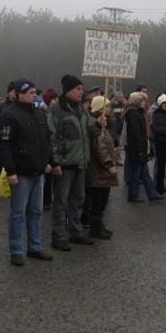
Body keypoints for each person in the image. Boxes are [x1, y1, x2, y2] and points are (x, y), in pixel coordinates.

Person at [0, 78, 54, 266]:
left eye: (35, 92)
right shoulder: (8, 115)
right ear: (19, 94)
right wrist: (10, 170)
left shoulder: (39, 114)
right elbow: (4, 145)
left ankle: (35, 247)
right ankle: (16, 250)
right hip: (20, 173)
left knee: (36, 211)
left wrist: (48, 161)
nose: (34, 95)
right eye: (30, 92)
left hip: (38, 171)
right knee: (18, 213)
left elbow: (46, 140)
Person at [47, 75, 95, 251]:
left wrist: (99, 124)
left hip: (80, 162)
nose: (81, 92)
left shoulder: (82, 110)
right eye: (78, 89)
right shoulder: (56, 110)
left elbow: (90, 129)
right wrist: (55, 161)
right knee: (60, 201)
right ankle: (58, 236)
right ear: (68, 91)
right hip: (65, 163)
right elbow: (52, 138)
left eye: (82, 89)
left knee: (78, 199)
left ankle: (75, 232)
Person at [86, 96, 118, 240]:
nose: (109, 109)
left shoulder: (102, 124)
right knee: (99, 200)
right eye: (107, 106)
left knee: (101, 200)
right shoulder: (97, 125)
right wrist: (109, 164)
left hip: (100, 170)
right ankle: (95, 228)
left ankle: (100, 226)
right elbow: (100, 148)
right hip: (100, 171)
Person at [124, 91, 163, 203]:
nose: (145, 103)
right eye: (143, 100)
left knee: (144, 172)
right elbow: (136, 134)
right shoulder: (133, 114)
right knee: (136, 172)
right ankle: (133, 195)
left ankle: (152, 194)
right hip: (137, 148)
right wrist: (140, 150)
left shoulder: (138, 113)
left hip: (140, 147)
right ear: (137, 101)